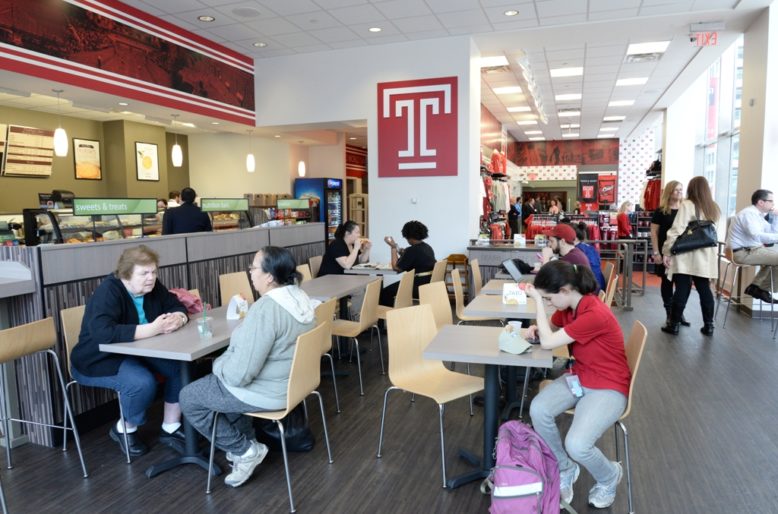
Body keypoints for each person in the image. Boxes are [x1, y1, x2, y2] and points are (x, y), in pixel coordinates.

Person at [180, 246, 315, 488]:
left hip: (267, 392)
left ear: (269, 276)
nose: (250, 272)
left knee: (189, 397)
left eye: (253, 267)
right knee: (220, 397)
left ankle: (245, 451)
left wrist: (218, 364)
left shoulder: (267, 309)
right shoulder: (299, 297)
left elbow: (239, 375)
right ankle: (247, 443)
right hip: (292, 385)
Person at [526, 260, 630, 509]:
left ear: (565, 290)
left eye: (549, 299)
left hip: (608, 385)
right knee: (538, 409)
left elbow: (550, 342)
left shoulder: (593, 313)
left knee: (578, 444)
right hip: (581, 376)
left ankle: (609, 476)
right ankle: (566, 468)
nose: (549, 304)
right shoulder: (572, 306)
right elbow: (551, 328)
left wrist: (538, 305)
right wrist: (537, 328)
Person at [70, 245, 189, 457]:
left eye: (153, 272)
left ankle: (170, 427)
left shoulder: (152, 286)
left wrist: (178, 318)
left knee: (180, 367)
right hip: (99, 358)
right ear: (126, 274)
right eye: (144, 273)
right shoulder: (109, 291)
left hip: (140, 351)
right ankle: (124, 429)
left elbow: (176, 305)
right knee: (141, 383)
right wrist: (152, 329)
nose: (151, 277)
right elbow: (102, 333)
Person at [661, 176, 721, 336]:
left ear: (691, 189)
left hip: (686, 252)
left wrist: (667, 251)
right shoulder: (713, 207)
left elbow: (676, 230)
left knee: (682, 287)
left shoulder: (687, 205)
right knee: (704, 289)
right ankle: (709, 326)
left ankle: (673, 324)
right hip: (706, 254)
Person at [726, 189, 778, 304]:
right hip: (742, 253)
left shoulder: (757, 215)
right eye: (771, 201)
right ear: (761, 202)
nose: (773, 204)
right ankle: (761, 289)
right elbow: (757, 235)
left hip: (751, 250)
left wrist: (775, 217)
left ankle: (756, 288)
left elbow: (771, 231)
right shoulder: (748, 214)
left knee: (772, 260)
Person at [650, 181, 689, 326]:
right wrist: (656, 252)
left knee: (683, 284)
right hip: (665, 251)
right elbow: (654, 232)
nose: (679, 192)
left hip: (683, 252)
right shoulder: (661, 211)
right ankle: (669, 312)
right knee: (667, 282)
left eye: (681, 189)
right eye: (676, 190)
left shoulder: (686, 209)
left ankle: (678, 312)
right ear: (669, 192)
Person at [380, 220, 436, 306]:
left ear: (408, 236)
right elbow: (414, 257)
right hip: (428, 283)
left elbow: (396, 268)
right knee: (388, 291)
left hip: (418, 285)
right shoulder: (427, 247)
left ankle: (385, 317)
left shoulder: (412, 250)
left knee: (385, 292)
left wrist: (393, 247)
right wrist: (403, 252)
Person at [572, 222, 606, 292]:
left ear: (574, 238)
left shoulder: (577, 251)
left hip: (592, 290)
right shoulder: (588, 247)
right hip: (599, 285)